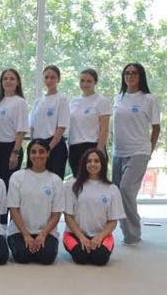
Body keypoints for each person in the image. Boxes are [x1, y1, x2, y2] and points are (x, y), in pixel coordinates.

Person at [112, 62, 161, 245]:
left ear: (141, 76)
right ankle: (127, 233)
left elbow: (156, 128)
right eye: (127, 73)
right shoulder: (118, 98)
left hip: (139, 151)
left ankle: (134, 232)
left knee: (126, 189)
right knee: (117, 193)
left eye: (134, 73)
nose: (130, 76)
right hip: (118, 152)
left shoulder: (149, 99)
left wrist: (149, 150)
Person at [6, 139, 64, 265]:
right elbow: (14, 210)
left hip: (46, 231)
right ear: (29, 154)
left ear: (48, 154)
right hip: (20, 231)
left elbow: (56, 215)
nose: (37, 155)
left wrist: (43, 235)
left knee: (46, 257)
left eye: (41, 152)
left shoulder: (56, 180)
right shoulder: (17, 177)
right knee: (22, 256)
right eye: (33, 152)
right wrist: (26, 235)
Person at [64, 148, 123, 266]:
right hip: (74, 234)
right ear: (84, 164)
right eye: (89, 161)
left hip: (102, 235)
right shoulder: (71, 185)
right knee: (81, 257)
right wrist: (81, 237)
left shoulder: (112, 189)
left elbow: (113, 221)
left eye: (96, 161)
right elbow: (68, 217)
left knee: (100, 258)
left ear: (102, 164)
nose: (92, 164)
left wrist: (99, 238)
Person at [0, 67, 28, 223]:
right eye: (5, 78)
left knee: (7, 189)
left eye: (12, 78)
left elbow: (20, 131)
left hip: (10, 149)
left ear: (17, 82)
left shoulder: (20, 102)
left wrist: (15, 153)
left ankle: (7, 224)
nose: (8, 81)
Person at [68, 68, 111, 178]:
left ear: (95, 82)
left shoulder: (101, 100)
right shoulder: (73, 101)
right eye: (82, 81)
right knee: (78, 183)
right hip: (74, 147)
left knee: (95, 182)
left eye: (88, 81)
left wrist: (98, 151)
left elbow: (104, 129)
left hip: (92, 146)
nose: (85, 84)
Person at [29, 65, 69, 179]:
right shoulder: (37, 101)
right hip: (38, 147)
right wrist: (35, 147)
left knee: (54, 181)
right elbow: (32, 126)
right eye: (46, 77)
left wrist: (48, 149)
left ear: (58, 79)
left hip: (54, 147)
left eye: (53, 77)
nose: (49, 80)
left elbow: (61, 127)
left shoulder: (61, 99)